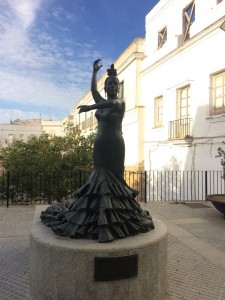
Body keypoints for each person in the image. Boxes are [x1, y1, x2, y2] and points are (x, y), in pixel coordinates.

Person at [41, 59, 154, 242]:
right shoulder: (102, 100)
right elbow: (94, 92)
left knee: (115, 181)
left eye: (114, 84)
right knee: (98, 178)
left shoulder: (120, 102)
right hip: (100, 145)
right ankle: (97, 217)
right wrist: (94, 73)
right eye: (109, 84)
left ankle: (116, 221)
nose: (111, 86)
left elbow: (108, 105)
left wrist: (89, 108)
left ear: (118, 87)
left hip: (115, 145)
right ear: (106, 87)